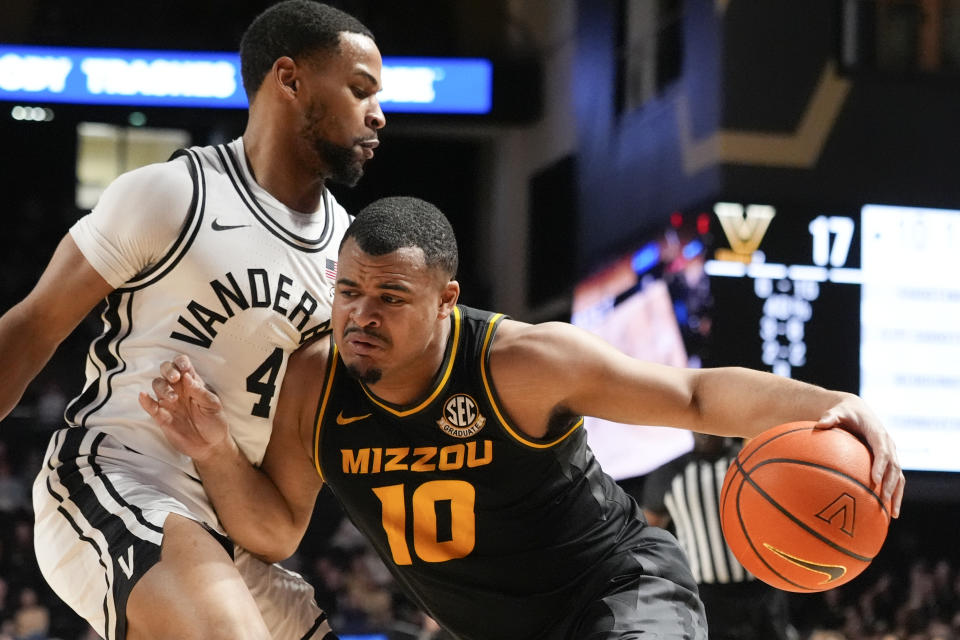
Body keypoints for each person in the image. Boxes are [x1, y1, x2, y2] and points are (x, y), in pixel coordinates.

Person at [139, 196, 905, 640]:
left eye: (391, 299)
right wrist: (213, 451)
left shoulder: (523, 363)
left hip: (615, 590)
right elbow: (276, 531)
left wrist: (832, 405)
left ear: (446, 299)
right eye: (349, 293)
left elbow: (696, 397)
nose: (361, 317)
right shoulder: (314, 381)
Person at [0, 1, 385, 638]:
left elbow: (281, 526)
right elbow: (35, 327)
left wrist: (217, 447)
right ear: (288, 80)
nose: (377, 114)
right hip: (114, 475)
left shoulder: (350, 262)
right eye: (360, 89)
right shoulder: (172, 195)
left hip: (226, 532)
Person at [642, 434, 795, 640]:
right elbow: (649, 537)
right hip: (707, 594)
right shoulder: (669, 473)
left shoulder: (755, 462)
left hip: (762, 586)